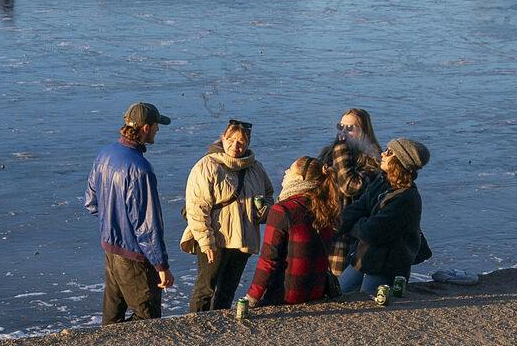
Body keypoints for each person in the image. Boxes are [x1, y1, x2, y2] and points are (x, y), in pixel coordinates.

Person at [84, 102, 174, 323]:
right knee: (148, 318)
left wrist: (114, 225)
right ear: (145, 128)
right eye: (156, 126)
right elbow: (147, 226)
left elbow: (91, 202)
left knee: (112, 318)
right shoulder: (141, 170)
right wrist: (161, 266)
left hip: (110, 250)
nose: (158, 130)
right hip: (135, 257)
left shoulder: (105, 154)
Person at [181, 118, 273, 313]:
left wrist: (263, 210)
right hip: (216, 238)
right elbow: (197, 208)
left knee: (227, 291)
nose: (235, 146)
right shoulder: (207, 166)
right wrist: (206, 242)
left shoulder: (255, 168)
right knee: (205, 289)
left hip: (243, 239)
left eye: (241, 142)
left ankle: (220, 327)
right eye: (231, 140)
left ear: (248, 143)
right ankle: (195, 328)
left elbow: (269, 195)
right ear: (223, 138)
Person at [242, 156, 341, 308]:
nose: (286, 171)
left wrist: (252, 297)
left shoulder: (282, 210)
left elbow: (268, 260)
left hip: (287, 294)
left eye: (290, 169)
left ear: (299, 179)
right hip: (317, 290)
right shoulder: (325, 205)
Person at [337, 138, 430, 295]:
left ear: (400, 162)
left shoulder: (406, 197)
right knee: (339, 293)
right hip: (363, 258)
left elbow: (371, 232)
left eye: (389, 152)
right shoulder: (382, 182)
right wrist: (332, 223)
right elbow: (357, 208)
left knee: (370, 305)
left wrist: (357, 224)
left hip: (386, 266)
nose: (383, 154)